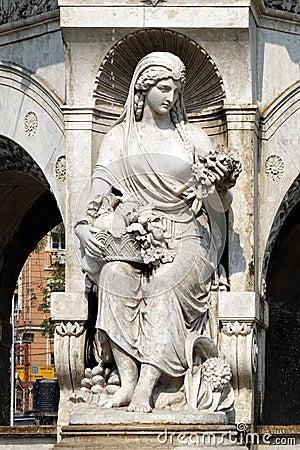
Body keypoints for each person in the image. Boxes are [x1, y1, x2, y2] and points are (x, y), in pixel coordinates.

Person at [75, 52, 240, 413]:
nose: (171, 97)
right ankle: (127, 380)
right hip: (137, 236)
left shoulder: (192, 138)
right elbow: (99, 183)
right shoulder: (120, 139)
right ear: (142, 88)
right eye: (163, 88)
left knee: (165, 283)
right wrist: (82, 225)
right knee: (114, 276)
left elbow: (219, 200)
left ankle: (146, 387)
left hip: (189, 238)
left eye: (176, 91)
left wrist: (221, 184)